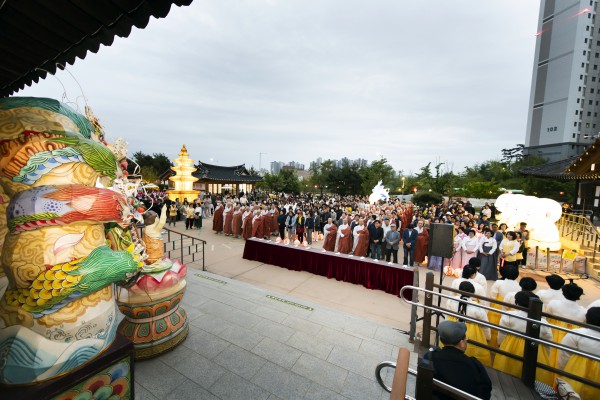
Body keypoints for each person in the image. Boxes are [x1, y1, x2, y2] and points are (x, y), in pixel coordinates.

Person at [493, 291, 554, 386]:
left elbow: (502, 332)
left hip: (510, 346)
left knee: (508, 367)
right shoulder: (543, 322)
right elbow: (548, 341)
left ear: (517, 302)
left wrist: (500, 343)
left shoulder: (509, 315)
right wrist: (546, 354)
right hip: (536, 350)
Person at [423, 320, 492, 400]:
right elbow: (485, 392)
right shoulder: (475, 366)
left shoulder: (430, 357)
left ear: (442, 341)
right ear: (462, 343)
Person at [444, 281, 492, 366]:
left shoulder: (451, 301)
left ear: (459, 290)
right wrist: (487, 336)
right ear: (473, 293)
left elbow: (447, 316)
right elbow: (485, 324)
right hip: (472, 332)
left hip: (453, 327)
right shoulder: (477, 307)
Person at [558, 307, 600, 399]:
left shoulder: (577, 333)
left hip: (576, 373)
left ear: (587, 318)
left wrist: (561, 371)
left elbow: (564, 354)